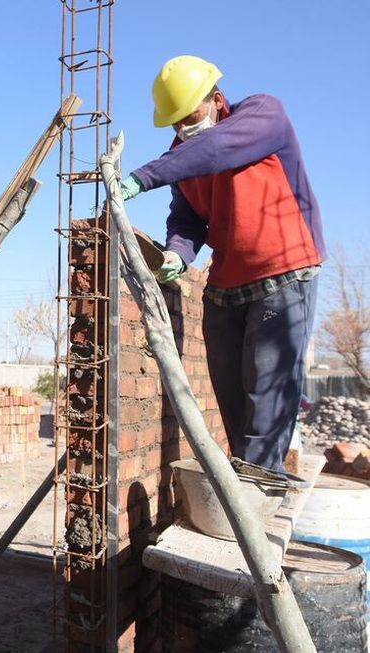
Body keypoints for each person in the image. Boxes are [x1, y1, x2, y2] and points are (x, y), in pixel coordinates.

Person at [120, 55, 324, 474]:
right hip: (225, 288)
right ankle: (247, 489)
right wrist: (177, 253)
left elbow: (216, 149)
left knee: (265, 404)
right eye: (174, 123)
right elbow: (186, 219)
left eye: (189, 116)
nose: (182, 129)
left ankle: (258, 492)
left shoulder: (263, 115)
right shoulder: (182, 158)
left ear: (216, 100)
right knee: (232, 403)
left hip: (284, 276)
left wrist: (144, 176)